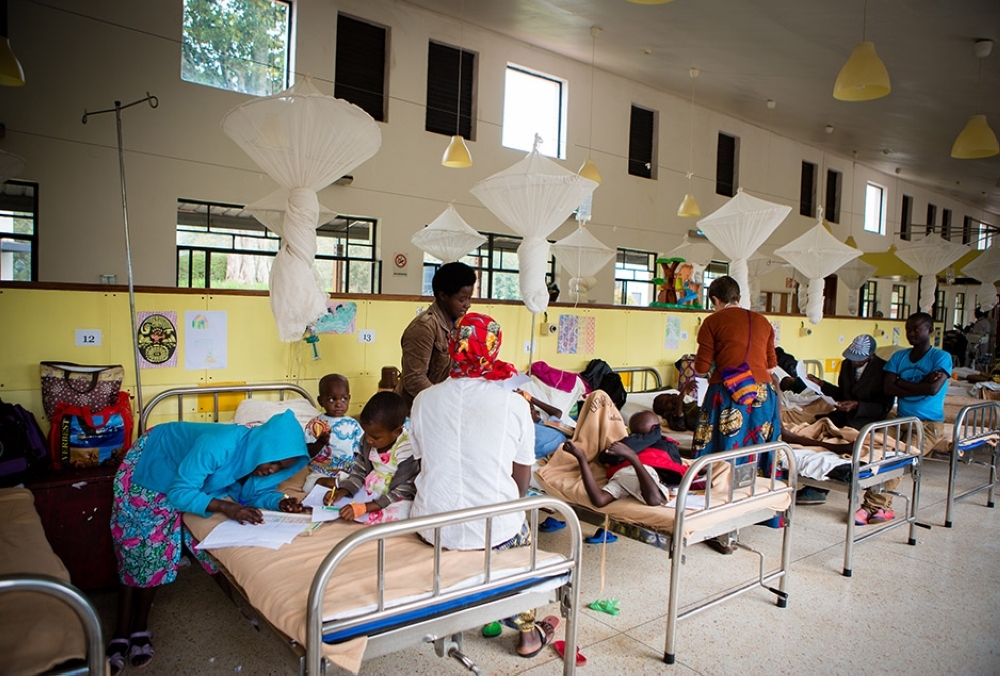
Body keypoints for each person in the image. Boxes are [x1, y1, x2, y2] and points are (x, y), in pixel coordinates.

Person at [107, 410, 308, 675]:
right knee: (139, 551)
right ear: (264, 445)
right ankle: (123, 630)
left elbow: (253, 495)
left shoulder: (254, 457)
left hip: (188, 477)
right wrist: (226, 507)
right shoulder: (220, 444)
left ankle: (139, 627)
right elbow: (180, 491)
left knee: (162, 554)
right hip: (153, 462)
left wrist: (280, 503)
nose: (273, 470)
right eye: (274, 462)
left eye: (281, 468)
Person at [410, 312, 559, 659]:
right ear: (493, 348)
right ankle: (527, 634)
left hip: (434, 528)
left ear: (453, 345)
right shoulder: (514, 404)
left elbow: (422, 464)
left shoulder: (423, 401)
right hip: (496, 532)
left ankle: (482, 611)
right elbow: (521, 480)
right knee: (519, 529)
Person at [684, 276, 781, 554]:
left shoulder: (713, 322)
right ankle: (757, 510)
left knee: (721, 454)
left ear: (715, 300)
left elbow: (702, 369)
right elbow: (771, 366)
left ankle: (721, 527)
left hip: (728, 394)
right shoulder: (763, 321)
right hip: (762, 397)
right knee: (754, 452)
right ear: (738, 296)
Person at [860, 312, 951, 525]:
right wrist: (921, 383)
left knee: (898, 459)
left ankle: (872, 507)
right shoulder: (899, 357)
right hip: (900, 420)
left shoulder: (941, 357)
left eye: (916, 329)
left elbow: (932, 389)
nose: (911, 333)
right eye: (908, 329)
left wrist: (901, 382)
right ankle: (879, 507)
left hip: (927, 425)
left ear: (930, 330)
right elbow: (888, 388)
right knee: (876, 452)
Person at [795, 334, 895, 505]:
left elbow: (884, 407)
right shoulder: (846, 364)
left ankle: (820, 488)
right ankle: (816, 480)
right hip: (844, 414)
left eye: (858, 360)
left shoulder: (883, 370)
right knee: (817, 429)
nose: (854, 362)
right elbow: (842, 393)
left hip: (866, 418)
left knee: (838, 442)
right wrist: (822, 385)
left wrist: (857, 405)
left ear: (871, 356)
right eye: (851, 358)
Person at [323, 391, 418, 525]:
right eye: (366, 433)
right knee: (345, 495)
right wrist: (343, 491)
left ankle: (369, 513)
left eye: (375, 437)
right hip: (372, 488)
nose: (368, 439)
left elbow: (405, 489)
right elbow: (359, 471)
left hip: (395, 495)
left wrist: (366, 507)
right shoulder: (368, 440)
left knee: (404, 511)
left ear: (397, 432)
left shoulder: (406, 448)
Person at [560, 409, 685, 508]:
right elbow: (656, 499)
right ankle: (631, 458)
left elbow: (655, 500)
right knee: (653, 499)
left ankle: (583, 458)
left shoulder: (632, 443)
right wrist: (632, 457)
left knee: (600, 500)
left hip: (631, 473)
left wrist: (583, 459)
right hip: (634, 472)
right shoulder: (662, 444)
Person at [396, 261, 477, 406]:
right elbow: (414, 379)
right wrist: (444, 402)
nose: (468, 304)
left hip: (441, 404)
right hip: (416, 408)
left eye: (469, 298)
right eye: (461, 299)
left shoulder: (458, 326)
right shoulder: (424, 328)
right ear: (443, 296)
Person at [302, 373, 364, 493]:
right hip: (321, 472)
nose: (339, 404)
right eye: (332, 399)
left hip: (348, 471)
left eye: (344, 399)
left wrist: (356, 470)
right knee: (308, 487)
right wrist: (320, 442)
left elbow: (360, 451)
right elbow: (308, 453)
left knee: (362, 482)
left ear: (349, 398)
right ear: (320, 401)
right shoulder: (316, 424)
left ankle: (339, 485)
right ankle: (336, 484)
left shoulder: (353, 425)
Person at [515, 388, 567, 460]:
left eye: (530, 408)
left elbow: (558, 412)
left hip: (568, 445)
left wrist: (531, 398)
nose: (527, 412)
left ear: (537, 413)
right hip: (556, 456)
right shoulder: (522, 427)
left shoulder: (547, 424)